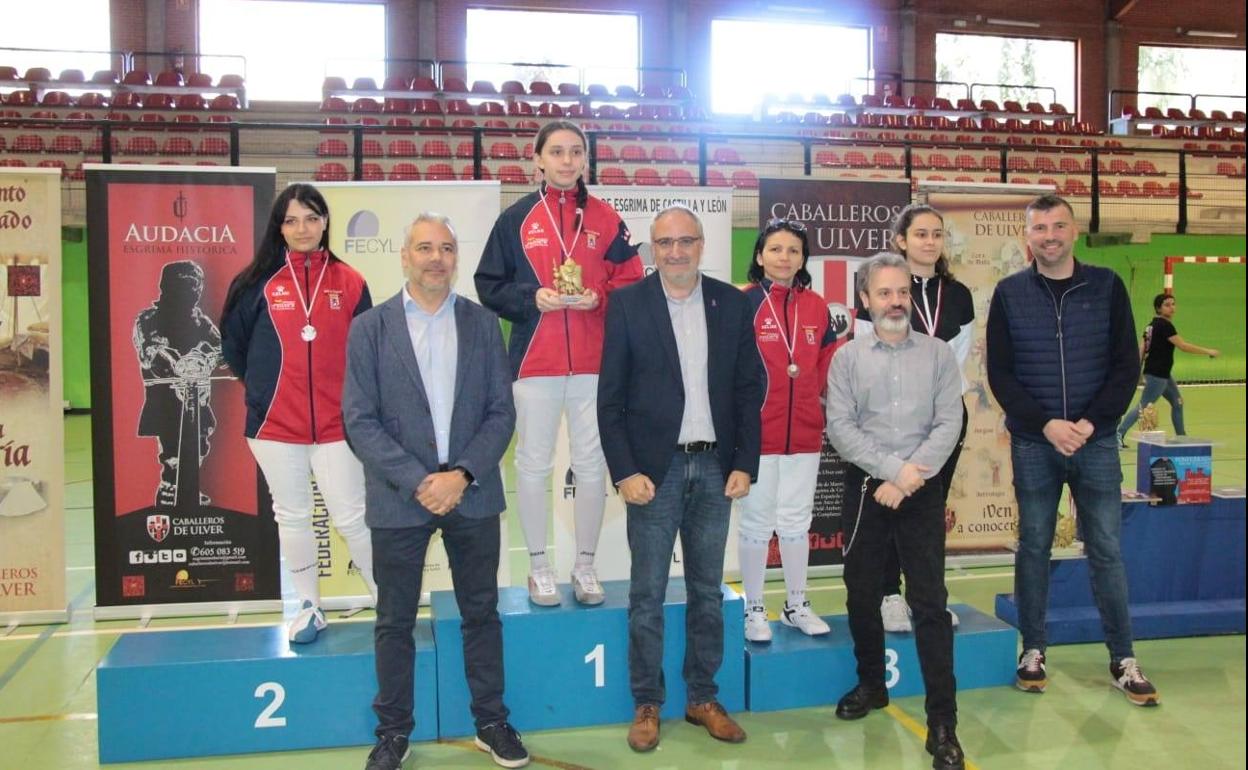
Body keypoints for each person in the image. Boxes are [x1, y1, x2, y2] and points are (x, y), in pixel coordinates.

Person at [343, 214, 529, 770]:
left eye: (446, 248)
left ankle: (491, 722)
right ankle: (393, 733)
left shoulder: (481, 323)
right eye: (424, 247)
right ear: (404, 256)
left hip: (471, 492)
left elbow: (501, 412)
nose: (435, 258)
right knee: (394, 621)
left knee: (481, 613)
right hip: (401, 495)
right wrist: (419, 480)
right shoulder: (369, 329)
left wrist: (462, 475)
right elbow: (359, 420)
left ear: (455, 258)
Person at [598, 205, 763, 753]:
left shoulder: (732, 304)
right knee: (646, 594)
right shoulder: (626, 305)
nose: (675, 251)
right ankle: (647, 701)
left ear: (701, 245)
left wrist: (744, 462)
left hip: (715, 468)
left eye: (686, 241)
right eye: (664, 242)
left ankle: (702, 697)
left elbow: (746, 389)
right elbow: (611, 401)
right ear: (651, 248)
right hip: (654, 471)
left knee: (707, 593)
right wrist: (624, 470)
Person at [987, 193, 1160, 706]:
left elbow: (1126, 366)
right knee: (1034, 547)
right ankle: (1032, 649)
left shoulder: (1106, 286)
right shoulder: (1009, 292)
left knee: (1105, 549)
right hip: (1035, 443)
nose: (1049, 236)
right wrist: (1046, 425)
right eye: (1039, 228)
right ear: (1028, 236)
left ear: (1074, 230)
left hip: (1096, 441)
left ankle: (1123, 658)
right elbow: (1000, 373)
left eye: (1058, 225)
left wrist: (1087, 423)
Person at [475, 120, 643, 607]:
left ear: (586, 160)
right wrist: (533, 298)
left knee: (592, 464)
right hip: (534, 361)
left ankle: (585, 566)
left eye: (576, 152)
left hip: (596, 362)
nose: (567, 160)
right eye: (557, 152)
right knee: (532, 465)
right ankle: (539, 568)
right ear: (538, 160)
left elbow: (633, 280)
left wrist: (600, 298)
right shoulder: (516, 219)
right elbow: (490, 284)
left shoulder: (608, 219)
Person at [826, 252, 965, 770]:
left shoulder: (938, 356)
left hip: (921, 488)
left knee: (929, 603)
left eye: (902, 291)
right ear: (865, 300)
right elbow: (841, 429)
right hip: (867, 489)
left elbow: (950, 421)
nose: (894, 301)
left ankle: (943, 723)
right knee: (862, 593)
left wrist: (911, 476)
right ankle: (871, 684)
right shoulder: (847, 359)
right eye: (883, 293)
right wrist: (890, 471)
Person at [221, 183, 376, 643]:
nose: (302, 228)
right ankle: (309, 605)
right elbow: (235, 348)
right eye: (291, 220)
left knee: (351, 516)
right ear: (279, 227)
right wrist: (267, 392)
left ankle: (387, 599)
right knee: (292, 515)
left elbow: (366, 352)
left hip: (336, 426)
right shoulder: (254, 284)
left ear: (325, 221)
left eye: (310, 218)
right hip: (274, 425)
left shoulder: (350, 281)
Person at [855, 204, 975, 633]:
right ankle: (889, 594)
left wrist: (938, 410)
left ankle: (929, 597)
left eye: (937, 234)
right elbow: (863, 354)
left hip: (941, 420)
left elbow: (959, 360)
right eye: (920, 234)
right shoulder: (880, 286)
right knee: (887, 508)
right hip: (886, 418)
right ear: (901, 240)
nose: (929, 242)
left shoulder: (958, 294)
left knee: (928, 510)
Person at [738, 218, 835, 642]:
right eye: (775, 249)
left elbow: (828, 368)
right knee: (757, 522)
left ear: (803, 259)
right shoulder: (742, 303)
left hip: (806, 434)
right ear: (760, 256)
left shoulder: (817, 307)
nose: (784, 257)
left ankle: (796, 603)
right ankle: (753, 608)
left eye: (793, 250)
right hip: (757, 432)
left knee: (797, 521)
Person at [134, 260, 222, 509]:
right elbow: (151, 350)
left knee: (201, 439)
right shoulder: (149, 318)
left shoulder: (199, 318)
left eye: (196, 285)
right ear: (167, 286)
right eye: (185, 285)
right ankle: (170, 488)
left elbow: (219, 346)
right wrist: (180, 365)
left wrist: (204, 358)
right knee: (172, 444)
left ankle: (187, 486)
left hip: (197, 397)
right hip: (166, 397)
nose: (192, 291)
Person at [1118, 292, 1219, 444]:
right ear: (1158, 308)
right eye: (1167, 305)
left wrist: (1138, 370)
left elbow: (1141, 348)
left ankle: (1182, 437)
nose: (1172, 307)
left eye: (1173, 304)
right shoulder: (1164, 326)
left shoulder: (1150, 326)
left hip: (1163, 374)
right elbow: (1183, 346)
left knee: (1177, 402)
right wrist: (1208, 351)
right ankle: (1118, 434)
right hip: (1157, 374)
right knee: (1144, 406)